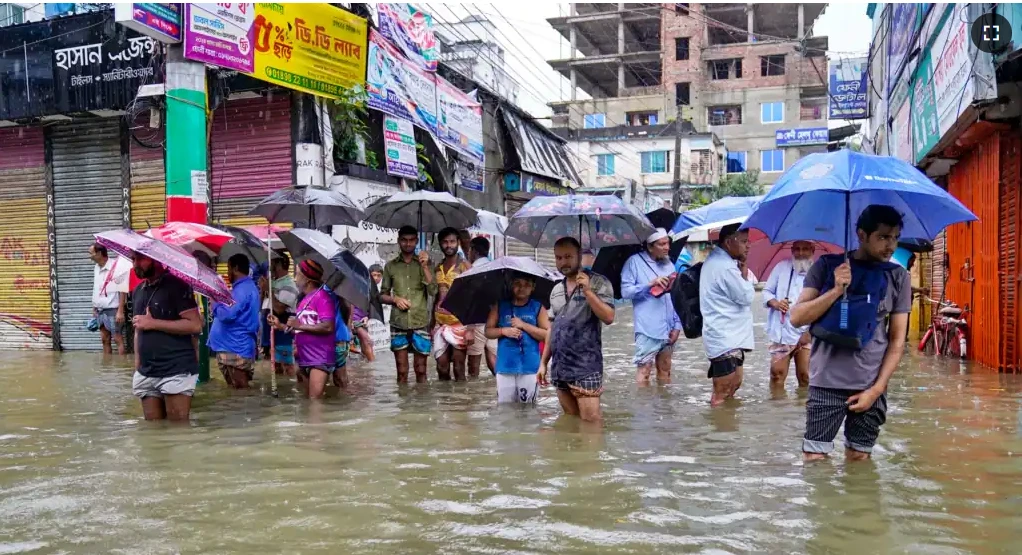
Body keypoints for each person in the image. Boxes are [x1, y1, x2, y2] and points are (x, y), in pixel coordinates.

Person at [791, 205, 912, 462]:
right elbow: (796, 317)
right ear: (861, 234)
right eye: (882, 237)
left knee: (859, 459)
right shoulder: (826, 266)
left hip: (870, 384)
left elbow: (897, 340)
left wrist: (876, 390)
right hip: (826, 383)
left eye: (895, 238)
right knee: (814, 459)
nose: (890, 246)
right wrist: (835, 290)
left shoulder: (898, 277)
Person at [537, 237, 615, 423]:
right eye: (558, 258)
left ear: (580, 255)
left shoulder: (598, 282)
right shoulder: (556, 289)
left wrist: (588, 291)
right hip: (560, 367)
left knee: (591, 423)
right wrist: (543, 363)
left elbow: (609, 317)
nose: (563, 262)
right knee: (570, 422)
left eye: (568, 256)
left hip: (586, 366)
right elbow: (552, 329)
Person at [130, 254, 203, 421]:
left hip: (176, 369)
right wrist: (138, 365)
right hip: (147, 371)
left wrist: (153, 323)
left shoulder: (177, 286)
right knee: (154, 432)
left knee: (178, 431)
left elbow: (195, 325)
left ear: (155, 258)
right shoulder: (138, 291)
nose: (136, 264)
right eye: (133, 259)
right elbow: (138, 329)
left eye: (140, 259)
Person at [699, 223, 754, 407]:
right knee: (722, 393)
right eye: (744, 241)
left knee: (734, 384)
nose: (748, 246)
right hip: (724, 337)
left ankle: (726, 430)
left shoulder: (721, 262)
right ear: (730, 242)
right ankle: (718, 430)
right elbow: (746, 296)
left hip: (730, 336)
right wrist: (744, 271)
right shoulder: (725, 267)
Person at [621, 228, 682, 385]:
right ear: (650, 246)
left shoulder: (669, 264)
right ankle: (644, 408)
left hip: (669, 327)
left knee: (665, 370)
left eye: (667, 243)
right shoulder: (634, 262)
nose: (667, 248)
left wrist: (677, 326)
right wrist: (649, 285)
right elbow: (626, 292)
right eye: (662, 244)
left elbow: (675, 296)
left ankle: (663, 409)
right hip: (648, 327)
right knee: (644, 372)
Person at [270, 260, 336, 398]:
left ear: (307, 279)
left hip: (319, 358)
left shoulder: (323, 297)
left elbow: (328, 326)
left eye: (297, 274)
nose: (295, 278)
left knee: (314, 403)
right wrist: (280, 326)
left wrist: (299, 325)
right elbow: (300, 330)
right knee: (308, 402)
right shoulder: (304, 300)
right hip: (304, 358)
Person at [380, 226, 437, 383]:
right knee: (402, 371)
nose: (408, 243)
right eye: (404, 240)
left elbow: (433, 290)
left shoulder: (425, 264)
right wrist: (395, 299)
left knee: (421, 370)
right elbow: (382, 295)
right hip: (399, 322)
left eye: (411, 240)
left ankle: (421, 406)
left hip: (420, 322)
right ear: (399, 241)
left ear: (416, 241)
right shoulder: (390, 266)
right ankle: (404, 406)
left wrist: (425, 266)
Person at [486, 273, 550, 403]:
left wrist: (524, 325)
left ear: (533, 287)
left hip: (530, 367)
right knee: (505, 409)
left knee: (528, 410)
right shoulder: (500, 306)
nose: (522, 288)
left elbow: (547, 335)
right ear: (511, 285)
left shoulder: (537, 307)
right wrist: (504, 331)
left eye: (527, 285)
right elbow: (488, 331)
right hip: (505, 366)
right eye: (518, 284)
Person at [762, 240, 815, 390]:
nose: (801, 253)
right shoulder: (781, 267)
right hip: (782, 331)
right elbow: (767, 292)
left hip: (807, 333)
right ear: (792, 250)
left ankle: (805, 411)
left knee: (806, 376)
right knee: (776, 374)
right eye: (797, 249)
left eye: (805, 249)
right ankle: (777, 410)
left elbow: (825, 304)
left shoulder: (820, 271)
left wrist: (810, 332)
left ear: (812, 250)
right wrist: (776, 303)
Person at [208, 254, 261, 389]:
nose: (227, 272)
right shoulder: (242, 288)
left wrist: (214, 302)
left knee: (241, 393)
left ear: (235, 268)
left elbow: (227, 315)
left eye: (228, 268)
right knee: (236, 393)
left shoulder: (242, 290)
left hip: (235, 348)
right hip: (233, 347)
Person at [431, 227, 473, 380]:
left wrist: (470, 329)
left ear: (458, 243)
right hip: (440, 323)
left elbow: (472, 298)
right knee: (441, 366)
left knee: (458, 366)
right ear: (440, 244)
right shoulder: (437, 268)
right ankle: (444, 402)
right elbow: (435, 298)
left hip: (460, 323)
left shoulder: (466, 267)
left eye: (452, 242)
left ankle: (460, 402)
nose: (449, 245)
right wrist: (431, 325)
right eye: (445, 242)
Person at [89, 243, 128, 355]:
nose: (89, 256)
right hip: (100, 310)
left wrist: (120, 311)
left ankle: (122, 367)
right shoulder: (96, 268)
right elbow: (96, 288)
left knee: (117, 338)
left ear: (99, 253)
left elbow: (123, 289)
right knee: (104, 339)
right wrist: (94, 307)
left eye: (91, 253)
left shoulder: (116, 267)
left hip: (113, 309)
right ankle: (107, 367)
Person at [467, 236, 498, 376]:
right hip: (495, 321)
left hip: (477, 322)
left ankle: (474, 397)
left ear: (473, 250)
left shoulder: (471, 271)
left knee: (473, 367)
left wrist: (469, 328)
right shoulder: (495, 268)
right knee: (494, 362)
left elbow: (471, 299)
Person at [268, 254, 300, 375]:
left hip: (284, 334)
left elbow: (279, 309)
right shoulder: (274, 282)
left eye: (273, 264)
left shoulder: (289, 284)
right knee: (276, 370)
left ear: (279, 265)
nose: (270, 267)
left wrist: (269, 290)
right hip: (273, 334)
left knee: (289, 368)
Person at [349, 263, 383, 362]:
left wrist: (367, 317)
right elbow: (351, 302)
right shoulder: (361, 287)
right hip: (354, 319)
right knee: (367, 341)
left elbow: (369, 307)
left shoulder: (374, 291)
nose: (376, 278)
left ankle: (367, 369)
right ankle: (373, 366)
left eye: (379, 275)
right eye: (374, 275)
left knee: (365, 345)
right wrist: (350, 320)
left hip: (362, 320)